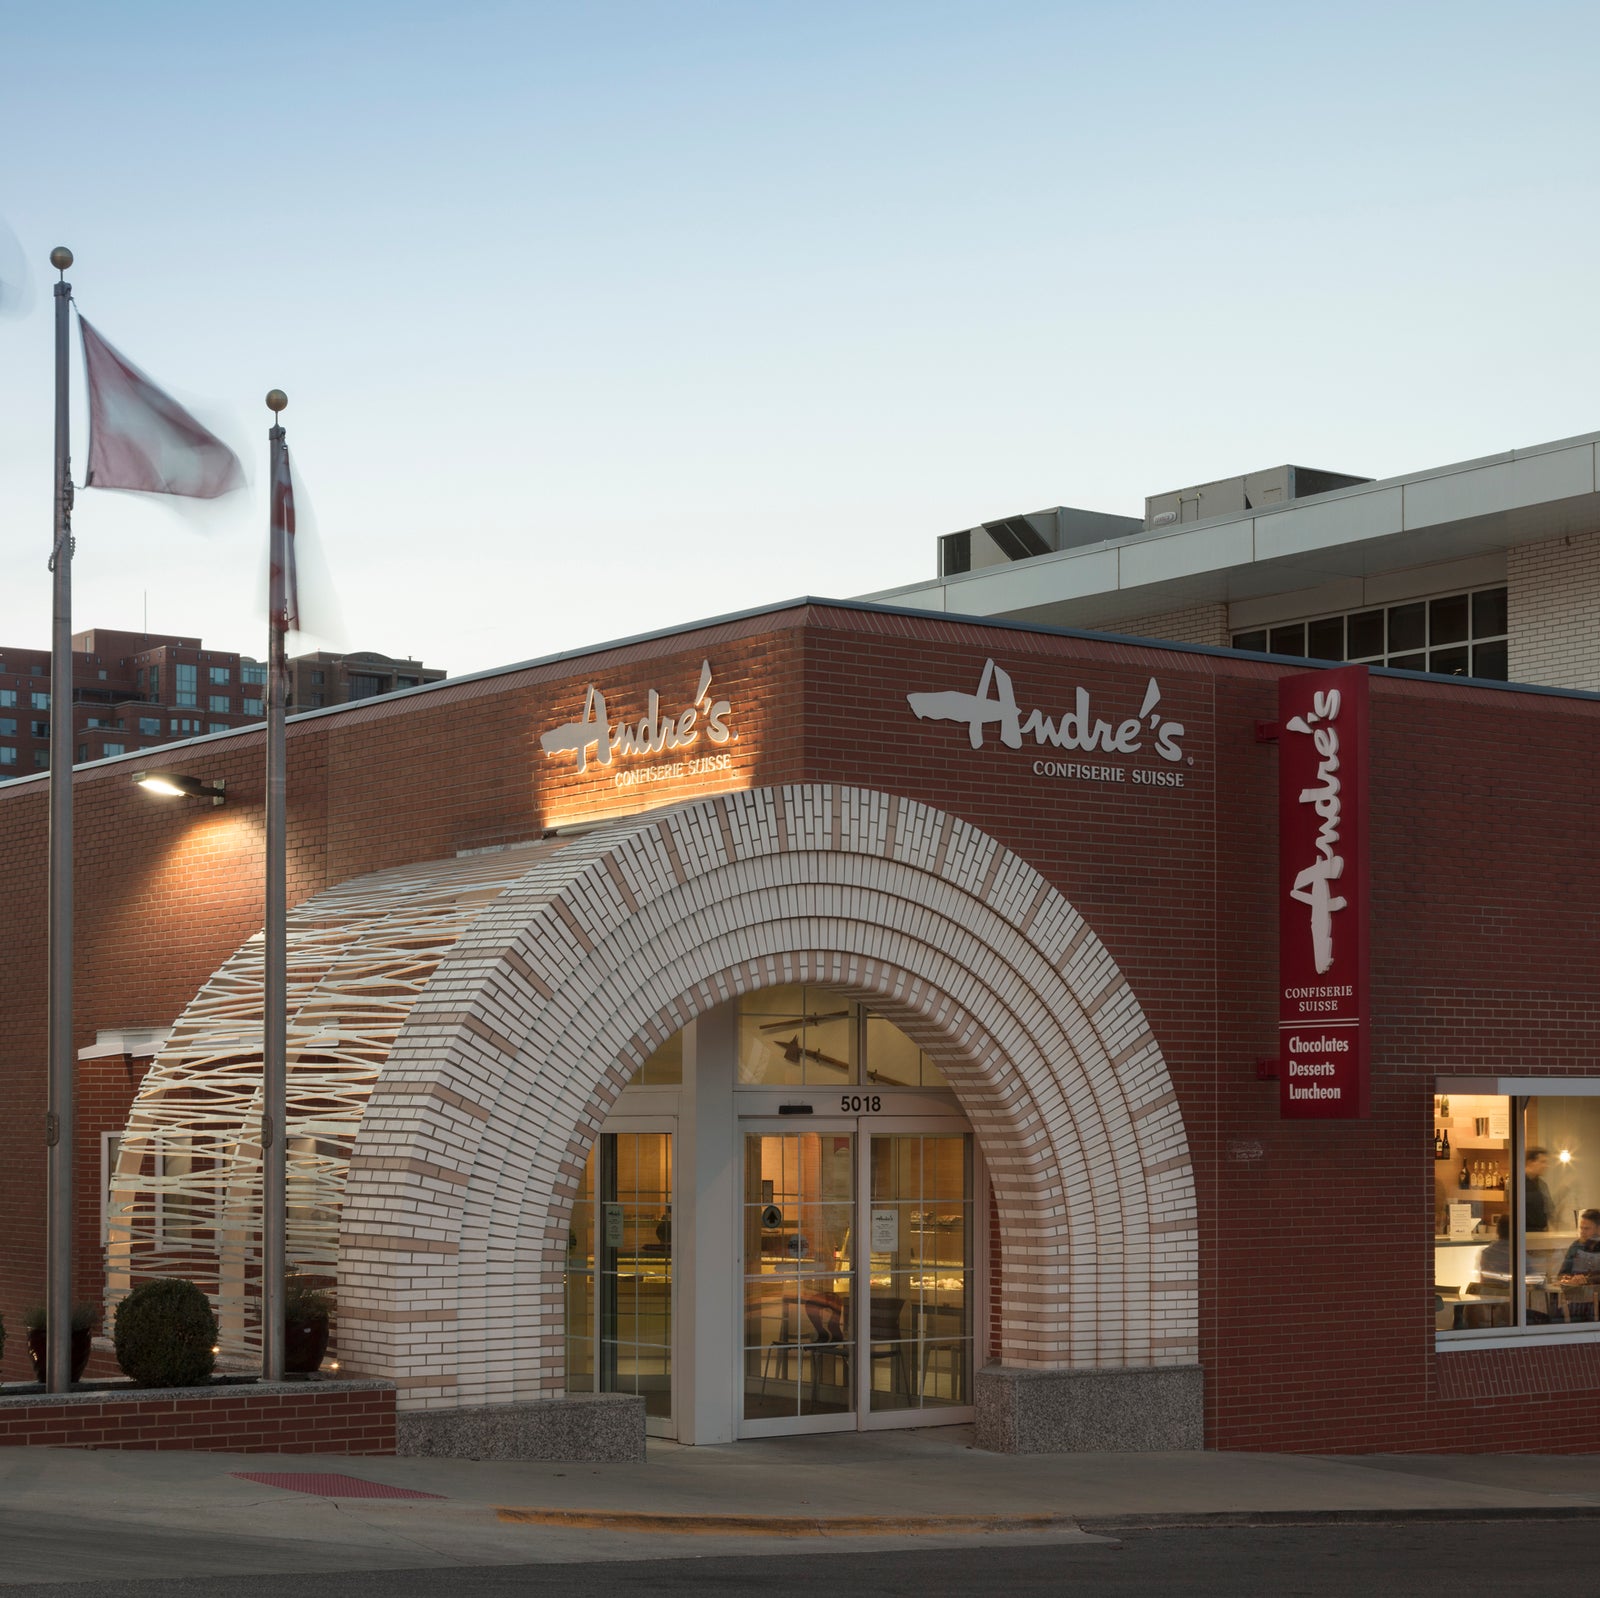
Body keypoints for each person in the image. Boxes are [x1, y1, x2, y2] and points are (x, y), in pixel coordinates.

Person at [1557, 1209, 1600, 1283]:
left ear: (1599, 1229)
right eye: (1581, 1228)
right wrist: (1569, 1278)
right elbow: (1562, 1274)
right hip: (1578, 1292)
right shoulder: (1576, 1246)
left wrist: (1586, 1280)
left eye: (1586, 1228)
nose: (1582, 1232)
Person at [1526, 1147, 1554, 1233]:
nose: (1546, 1166)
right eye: (1542, 1162)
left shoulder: (1542, 1184)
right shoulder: (1518, 1183)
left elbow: (1549, 1209)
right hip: (1524, 1235)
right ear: (1531, 1162)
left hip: (1540, 1234)